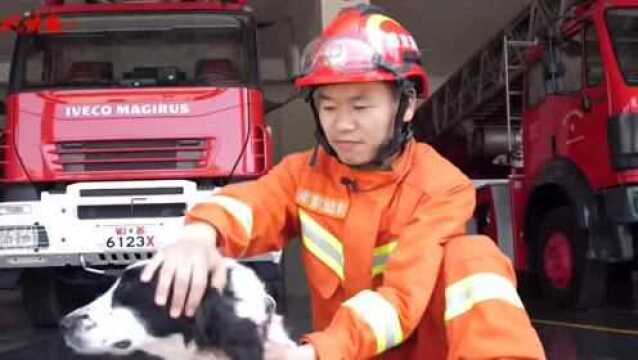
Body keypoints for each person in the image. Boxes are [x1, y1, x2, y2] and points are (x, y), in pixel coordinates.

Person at [141, 5, 546, 359]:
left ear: (405, 106)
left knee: (473, 257)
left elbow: (398, 302)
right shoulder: (305, 174)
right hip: (337, 355)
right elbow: (253, 203)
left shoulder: (442, 186)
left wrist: (316, 352)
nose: (343, 124)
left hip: (386, 353)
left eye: (360, 105)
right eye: (329, 106)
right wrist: (201, 234)